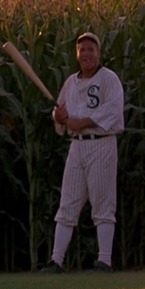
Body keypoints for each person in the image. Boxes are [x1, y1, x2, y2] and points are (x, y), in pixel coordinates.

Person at [41, 32, 125, 273]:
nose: (86, 54)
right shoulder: (71, 82)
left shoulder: (109, 79)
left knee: (103, 202)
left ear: (99, 53)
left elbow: (113, 110)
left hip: (101, 143)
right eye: (82, 50)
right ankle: (56, 260)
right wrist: (58, 117)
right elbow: (61, 112)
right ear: (77, 55)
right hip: (77, 146)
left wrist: (83, 122)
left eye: (91, 49)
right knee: (68, 202)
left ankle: (105, 260)